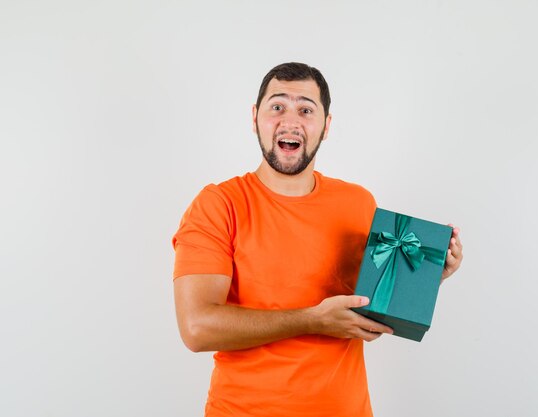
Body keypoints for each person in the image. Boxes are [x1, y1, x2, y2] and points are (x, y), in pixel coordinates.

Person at [172, 62, 463, 417]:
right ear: (255, 118)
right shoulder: (219, 204)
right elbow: (196, 327)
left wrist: (427, 273)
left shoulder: (358, 203)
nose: (290, 120)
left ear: (325, 126)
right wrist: (311, 319)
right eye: (277, 106)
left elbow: (374, 300)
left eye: (306, 109)